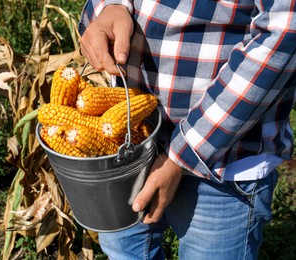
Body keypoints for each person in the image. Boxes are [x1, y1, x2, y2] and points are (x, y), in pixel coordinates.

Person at [78, 1, 296, 259]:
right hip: (128, 144)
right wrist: (111, 7)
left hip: (222, 161)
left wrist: (185, 152)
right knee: (123, 250)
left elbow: (284, 34)